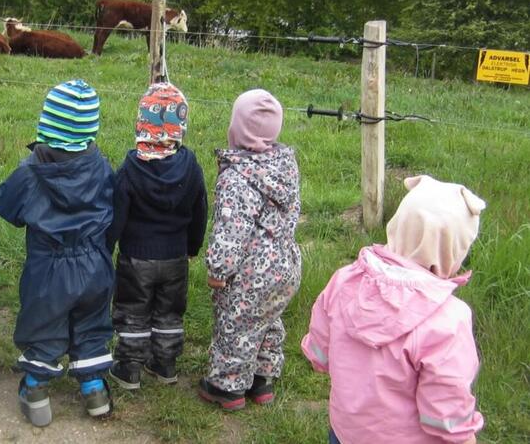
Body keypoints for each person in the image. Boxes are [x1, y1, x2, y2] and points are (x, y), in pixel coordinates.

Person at [301, 175, 486, 444]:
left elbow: (319, 352)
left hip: (346, 433)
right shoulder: (447, 320)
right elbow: (445, 413)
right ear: (453, 248)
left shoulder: (344, 281)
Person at [0, 79, 115, 427]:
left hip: (48, 268)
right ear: (91, 129)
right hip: (95, 264)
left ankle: (35, 392)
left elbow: (6, 207)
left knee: (44, 328)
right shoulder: (101, 166)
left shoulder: (31, 170)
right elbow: (112, 207)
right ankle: (94, 392)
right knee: (91, 325)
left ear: (46, 123)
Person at [199, 89, 301, 411]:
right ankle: (261, 380)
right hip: (285, 264)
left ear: (236, 128)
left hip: (250, 271)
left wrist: (219, 269)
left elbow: (231, 229)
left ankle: (226, 388)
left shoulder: (235, 177)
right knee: (268, 319)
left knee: (237, 323)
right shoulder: (285, 166)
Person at [106, 82, 208, 389]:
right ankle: (165, 365)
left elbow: (117, 212)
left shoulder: (130, 168)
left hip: (137, 255)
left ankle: (130, 368)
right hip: (176, 256)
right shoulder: (190, 167)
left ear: (141, 122)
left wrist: (108, 246)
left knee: (133, 309)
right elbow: (200, 208)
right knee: (169, 311)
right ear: (181, 125)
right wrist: (193, 245)